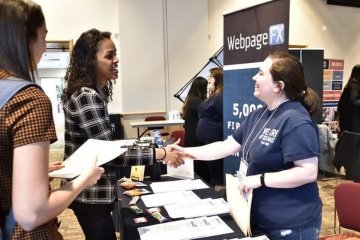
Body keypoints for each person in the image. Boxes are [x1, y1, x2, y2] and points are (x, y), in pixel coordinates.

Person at [169, 52, 322, 240]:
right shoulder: (259, 115)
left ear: (278, 86)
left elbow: (307, 172)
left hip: (290, 225)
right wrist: (185, 152)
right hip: (258, 219)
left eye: (260, 73)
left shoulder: (296, 120)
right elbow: (226, 146)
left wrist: (260, 180)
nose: (254, 77)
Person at [61, 28, 183, 240]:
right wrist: (161, 154)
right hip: (90, 196)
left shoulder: (94, 93)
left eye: (115, 54)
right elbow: (110, 154)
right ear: (90, 61)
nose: (116, 60)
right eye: (109, 56)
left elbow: (108, 145)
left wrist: (148, 148)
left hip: (92, 194)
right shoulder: (86, 96)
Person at [0, 1, 104, 239]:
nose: (45, 47)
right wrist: (82, 181)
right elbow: (31, 214)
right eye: (43, 37)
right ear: (25, 38)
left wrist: (31, 171)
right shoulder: (28, 99)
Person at [196, 67, 224, 186]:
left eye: (211, 76)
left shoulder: (220, 96)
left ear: (218, 78)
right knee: (210, 172)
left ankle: (216, 192)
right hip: (207, 140)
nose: (208, 78)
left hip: (214, 140)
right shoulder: (214, 95)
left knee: (215, 172)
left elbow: (223, 115)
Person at [180, 76, 208, 179]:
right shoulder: (198, 102)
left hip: (190, 137)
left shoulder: (190, 100)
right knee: (199, 168)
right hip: (196, 139)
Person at [337, 64, 360, 134]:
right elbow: (355, 102)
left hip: (347, 128)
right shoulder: (355, 87)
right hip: (354, 129)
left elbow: (340, 108)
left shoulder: (348, 87)